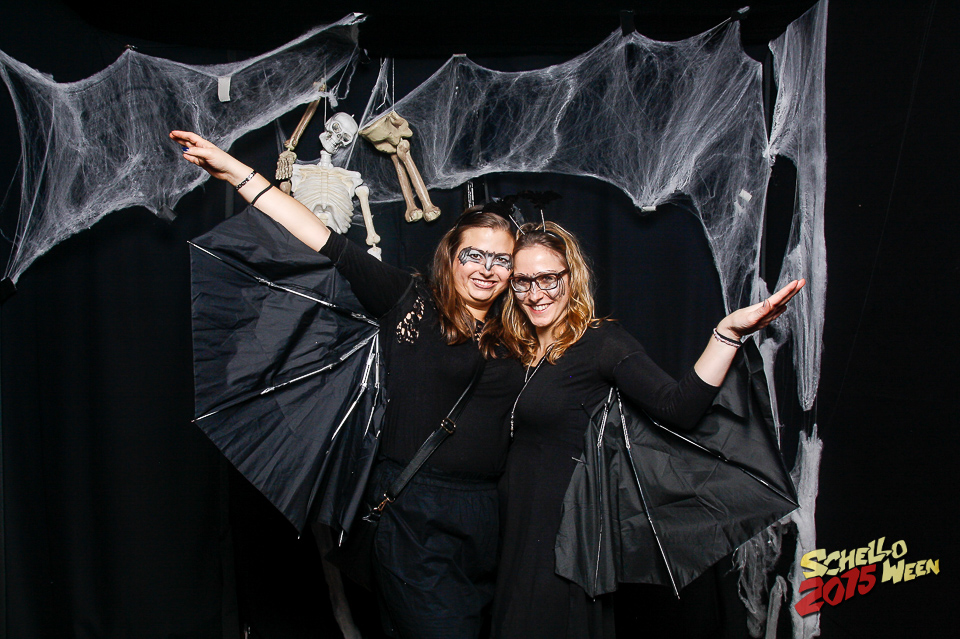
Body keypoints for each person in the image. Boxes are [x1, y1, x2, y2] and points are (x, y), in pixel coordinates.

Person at [170, 130, 525, 639]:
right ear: (451, 256)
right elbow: (324, 239)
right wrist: (238, 174)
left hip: (487, 517)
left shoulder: (517, 332)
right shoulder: (410, 301)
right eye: (474, 255)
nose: (487, 270)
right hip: (413, 511)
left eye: (501, 260)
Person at [491, 221, 804, 639]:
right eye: (523, 281)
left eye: (548, 278)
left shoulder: (602, 342)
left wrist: (726, 334)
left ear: (572, 276)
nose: (536, 293)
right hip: (514, 530)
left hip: (562, 538)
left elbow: (678, 407)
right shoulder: (514, 348)